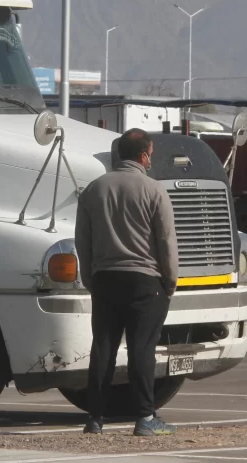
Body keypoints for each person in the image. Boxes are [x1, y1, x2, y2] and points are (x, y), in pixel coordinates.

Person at [74, 128, 178, 437]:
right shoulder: (154, 190)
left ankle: (95, 418)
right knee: (141, 349)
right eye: (151, 154)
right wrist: (169, 284)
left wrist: (92, 279)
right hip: (145, 281)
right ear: (144, 155)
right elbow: (166, 242)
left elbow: (84, 242)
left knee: (103, 348)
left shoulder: (93, 190)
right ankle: (145, 417)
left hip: (105, 279)